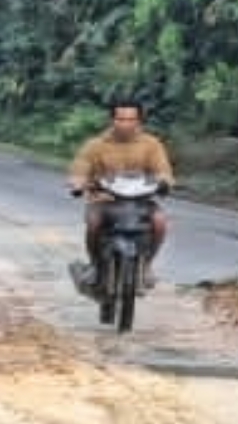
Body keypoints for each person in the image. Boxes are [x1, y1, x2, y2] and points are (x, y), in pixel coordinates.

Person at [66, 96, 179, 297]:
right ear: (112, 120)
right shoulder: (96, 145)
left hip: (141, 202)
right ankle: (95, 264)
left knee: (160, 222)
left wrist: (164, 182)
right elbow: (80, 167)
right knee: (93, 224)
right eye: (120, 119)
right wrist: (78, 182)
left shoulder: (151, 144)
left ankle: (146, 267)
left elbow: (163, 170)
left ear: (139, 121)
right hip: (104, 201)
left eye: (130, 119)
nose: (125, 124)